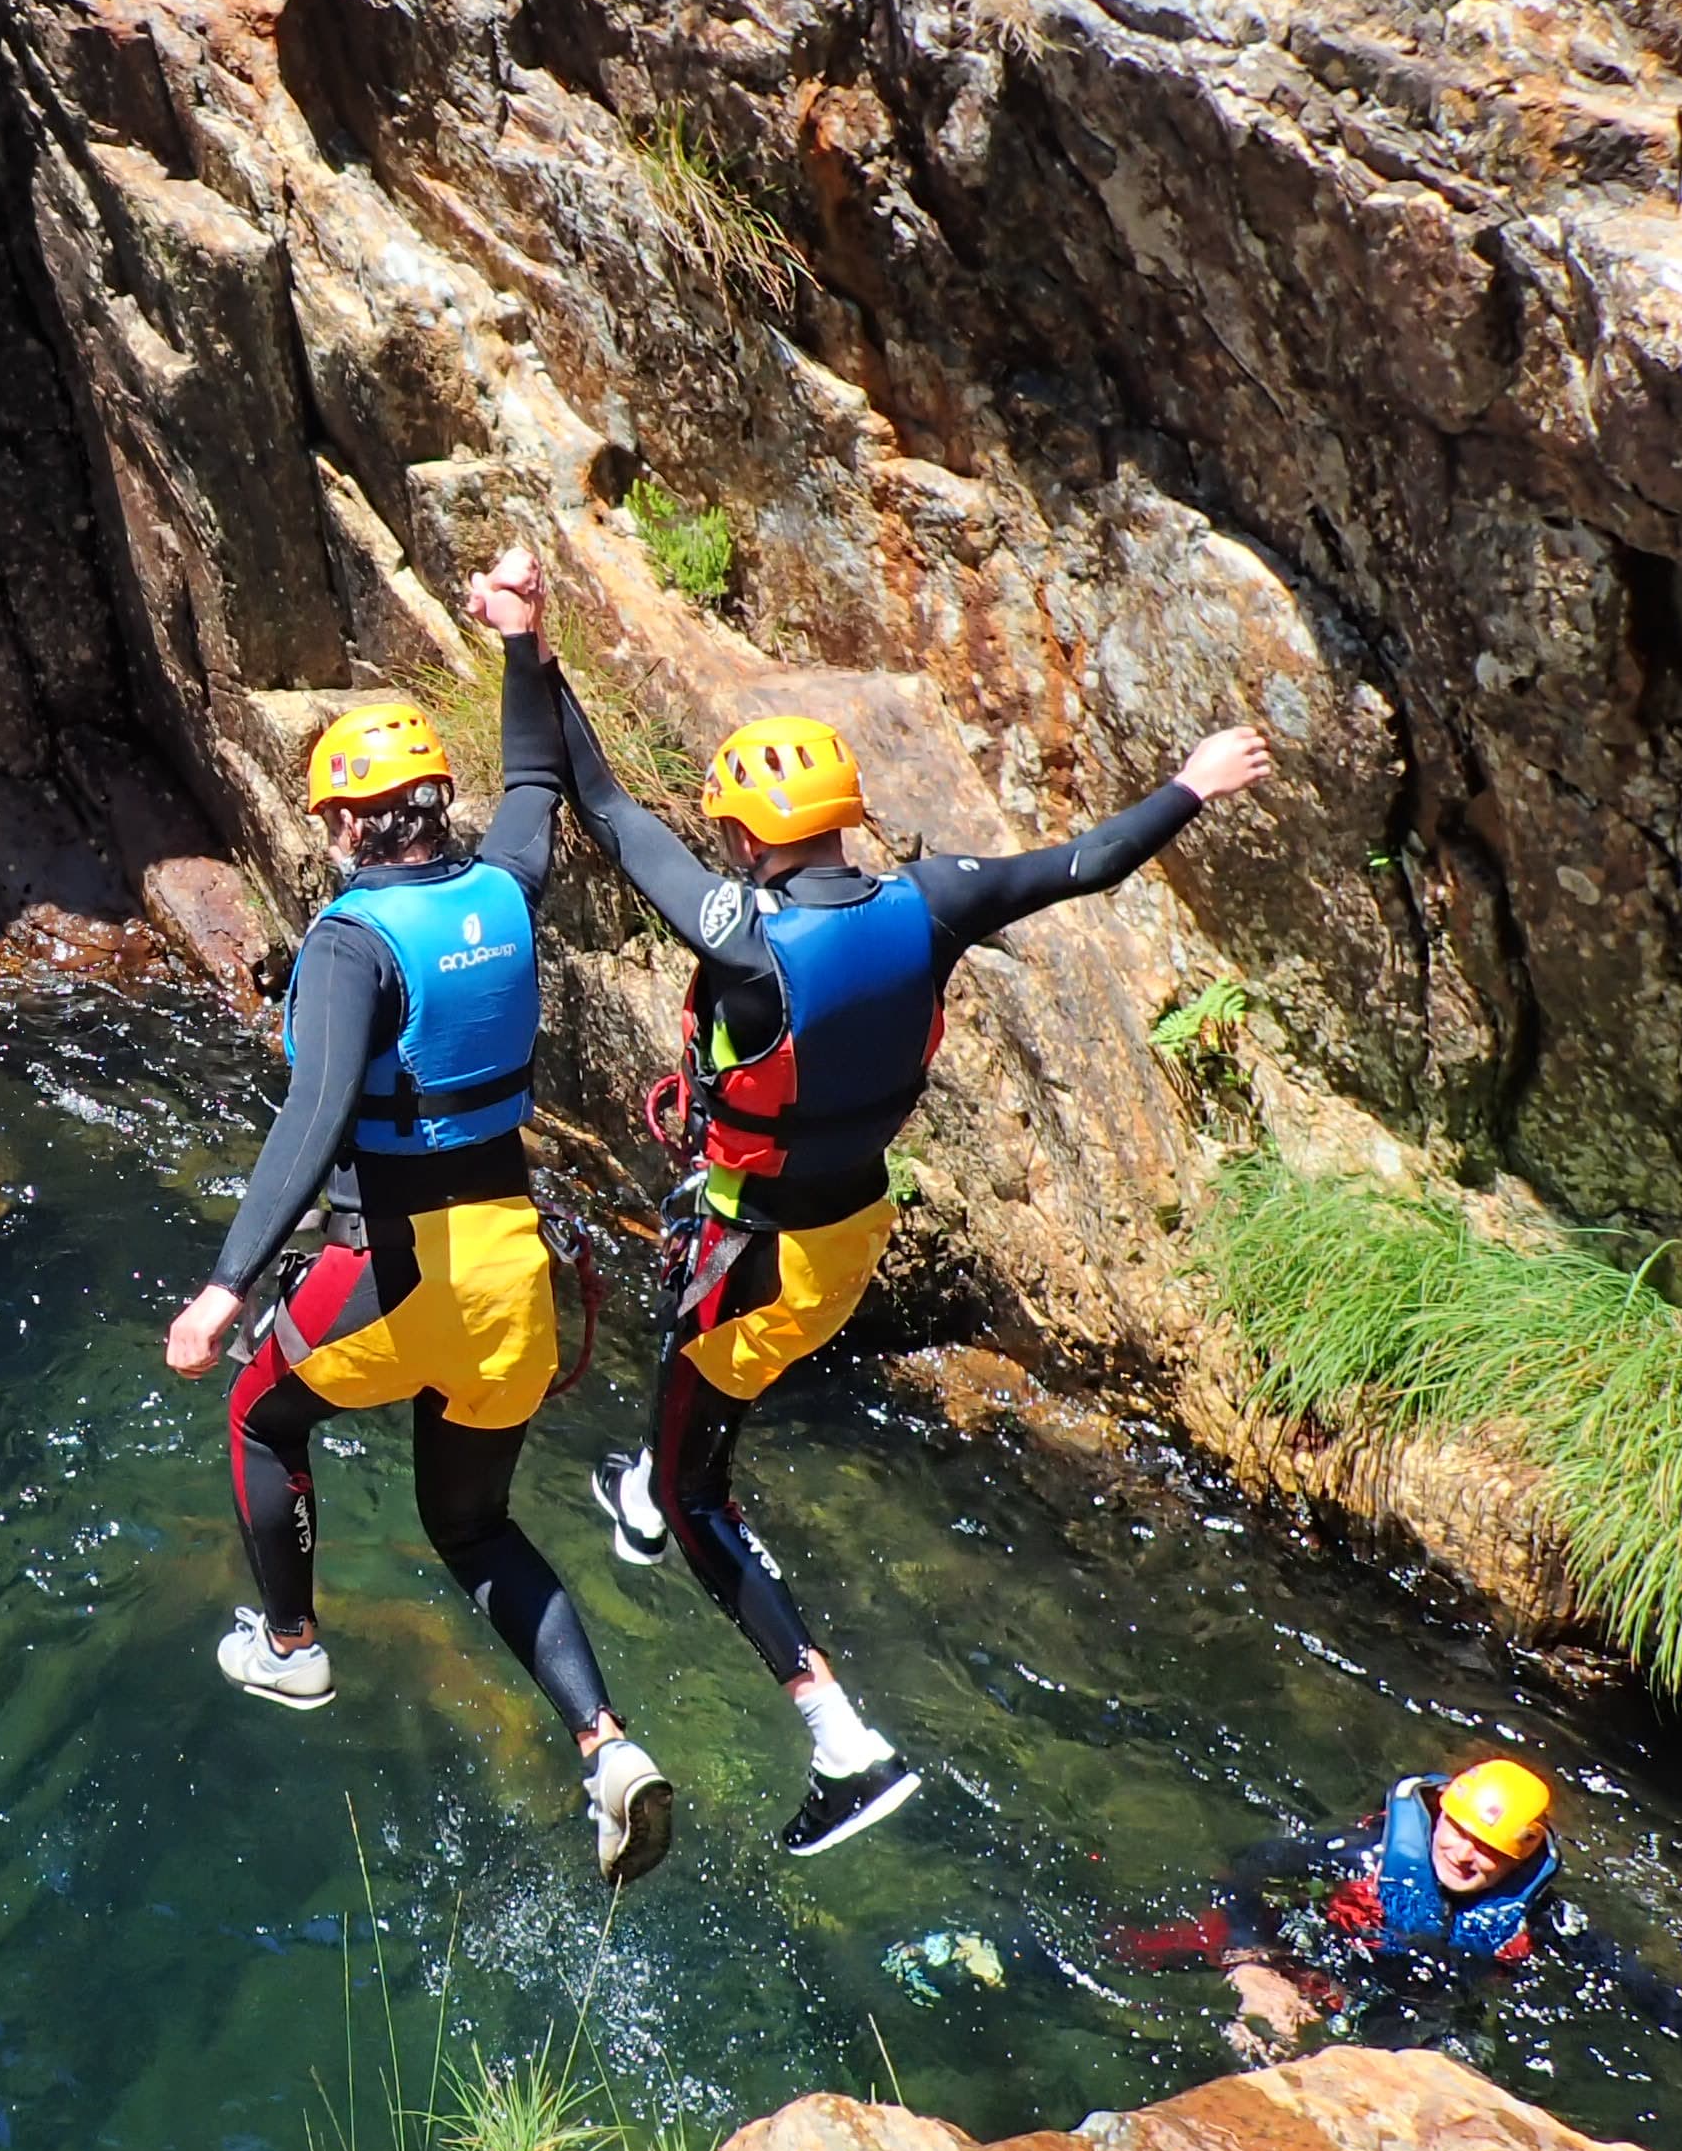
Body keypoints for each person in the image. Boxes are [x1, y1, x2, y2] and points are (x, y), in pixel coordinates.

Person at [541, 609, 1274, 1853]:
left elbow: (604, 805)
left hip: (750, 1257)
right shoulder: (928, 901)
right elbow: (1086, 862)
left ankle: (844, 1741)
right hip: (847, 1235)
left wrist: (537, 655)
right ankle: (655, 1499)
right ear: (840, 818)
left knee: (690, 1478)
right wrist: (1188, 786)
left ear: (737, 833)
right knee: (687, 1426)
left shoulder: (741, 938)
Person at [163, 549, 675, 1887]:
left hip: (394, 1274)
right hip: (516, 1274)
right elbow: (540, 783)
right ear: (432, 812)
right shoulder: (503, 886)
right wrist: (524, 641)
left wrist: (227, 1285)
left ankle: (291, 1648)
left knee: (261, 1416)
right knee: (474, 1529)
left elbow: (315, 1115)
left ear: (344, 827)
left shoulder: (349, 944)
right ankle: (606, 1744)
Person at [1120, 1758, 1682, 2135]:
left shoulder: (1539, 1921)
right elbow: (1246, 1869)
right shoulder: (1364, 1854)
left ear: (1522, 1860)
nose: (1465, 1856)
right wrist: (1255, 1969)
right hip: (1308, 1949)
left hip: (1409, 2010)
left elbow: (1655, 1999)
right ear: (1438, 1811)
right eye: (1457, 1831)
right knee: (1148, 1960)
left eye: (1489, 1850)